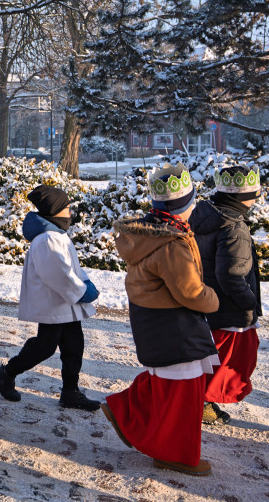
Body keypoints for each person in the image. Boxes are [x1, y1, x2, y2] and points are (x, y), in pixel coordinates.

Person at [102, 162, 220, 476]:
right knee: (182, 392)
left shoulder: (154, 232)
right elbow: (191, 292)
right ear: (186, 205)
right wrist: (213, 298)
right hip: (174, 325)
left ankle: (125, 410)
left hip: (157, 322)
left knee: (169, 382)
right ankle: (176, 454)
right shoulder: (172, 243)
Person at [0, 185, 101, 411]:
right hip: (55, 304)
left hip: (64, 304)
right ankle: (5, 373)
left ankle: (70, 391)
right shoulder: (47, 238)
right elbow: (57, 274)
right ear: (55, 210)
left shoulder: (56, 235)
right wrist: (81, 291)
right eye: (67, 207)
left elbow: (70, 270)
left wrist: (83, 283)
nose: (70, 210)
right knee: (45, 347)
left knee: (74, 345)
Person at [190, 165, 263, 426]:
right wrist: (249, 301)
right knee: (224, 365)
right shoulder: (234, 227)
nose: (256, 199)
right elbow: (232, 274)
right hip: (230, 307)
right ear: (242, 197)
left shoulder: (206, 214)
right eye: (255, 193)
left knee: (211, 359)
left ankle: (201, 402)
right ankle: (202, 404)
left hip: (210, 302)